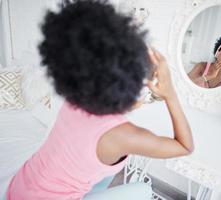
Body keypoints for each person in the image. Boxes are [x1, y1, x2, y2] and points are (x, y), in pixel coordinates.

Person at [5, 0, 193, 199]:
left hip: (20, 186)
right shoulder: (124, 136)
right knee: (142, 190)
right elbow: (185, 146)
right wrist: (170, 93)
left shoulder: (75, 96)